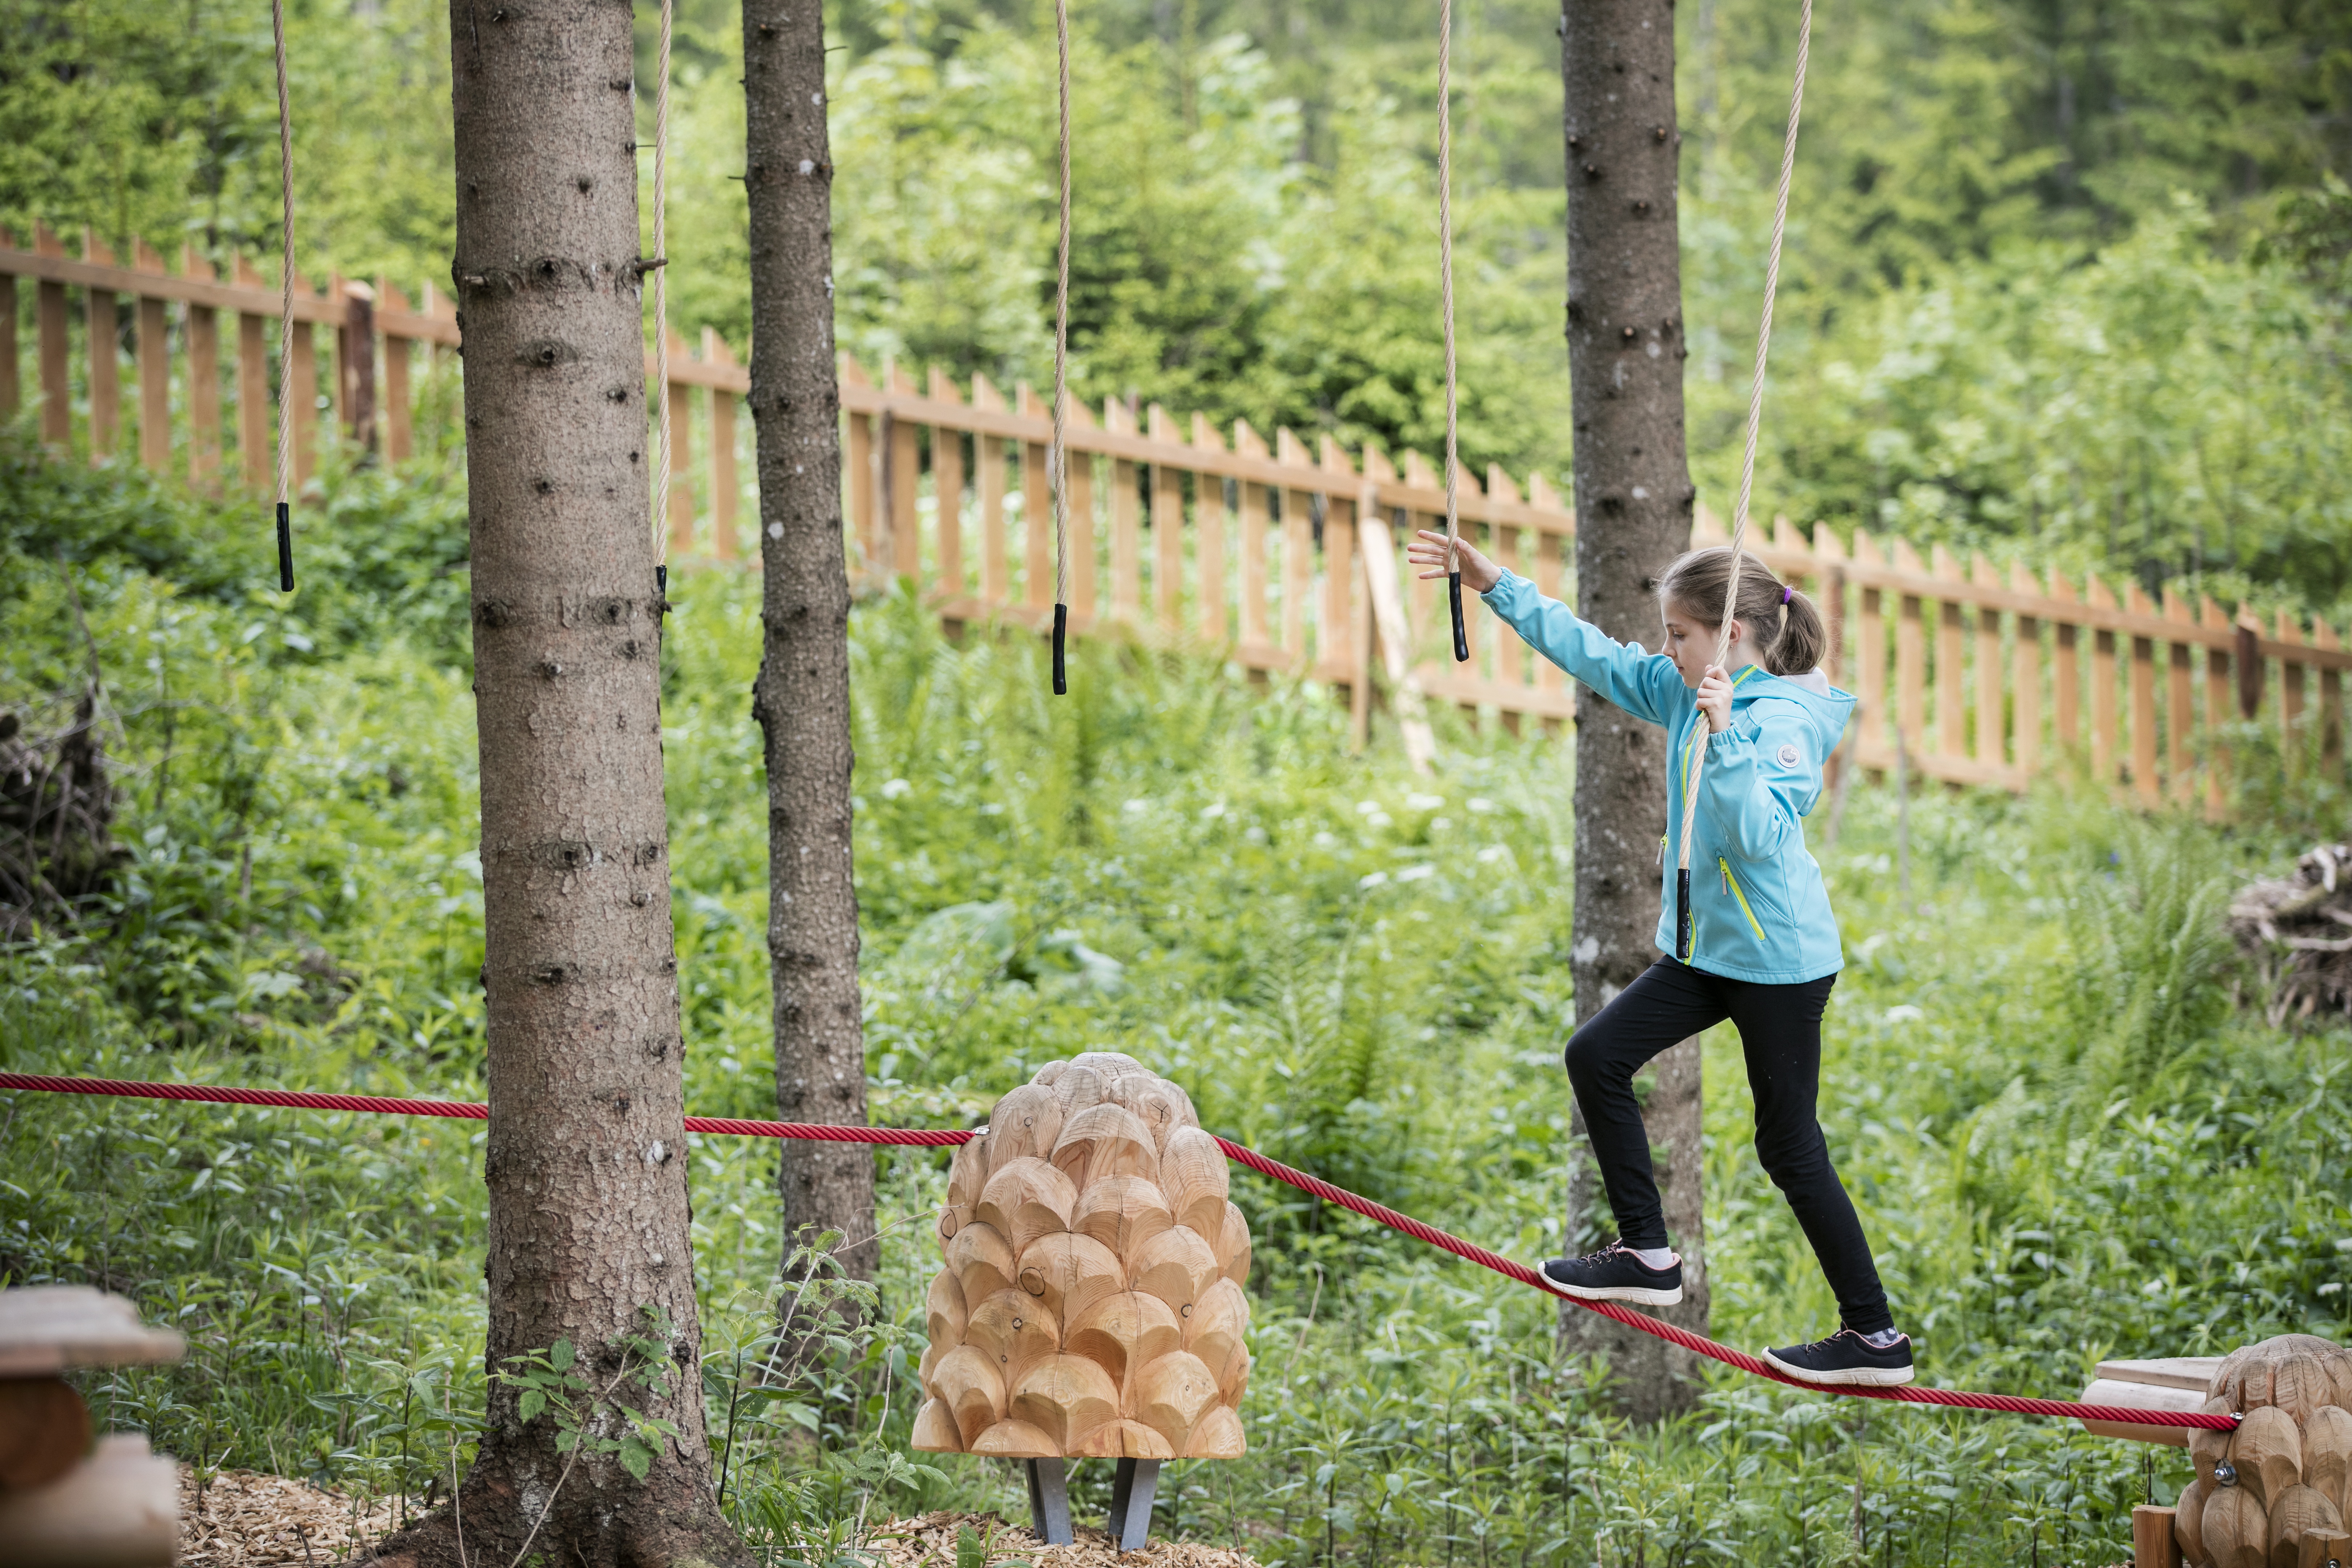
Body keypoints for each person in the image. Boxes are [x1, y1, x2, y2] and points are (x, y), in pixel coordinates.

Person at [1403, 530, 1911, 1388]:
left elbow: (1757, 838)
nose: (1665, 648)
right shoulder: (1685, 692)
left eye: (1679, 633)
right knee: (1596, 1055)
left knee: (1790, 1149)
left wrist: (1731, 734)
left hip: (1779, 961)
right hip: (1709, 952)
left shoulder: (1780, 720)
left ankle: (1874, 1339)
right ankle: (1648, 1253)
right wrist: (1496, 585)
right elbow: (1594, 655)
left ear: (1734, 634)